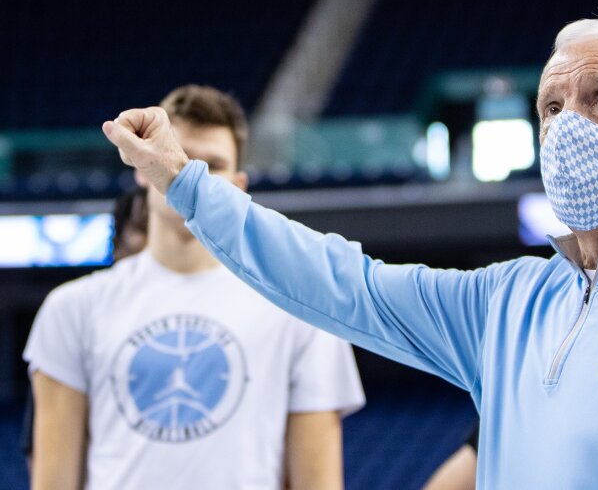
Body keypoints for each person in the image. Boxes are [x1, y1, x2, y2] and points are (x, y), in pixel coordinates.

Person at [103, 20, 598, 488]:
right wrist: (184, 181)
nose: (569, 125)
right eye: (552, 107)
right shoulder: (508, 303)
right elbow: (336, 281)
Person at [26, 84, 365, 490]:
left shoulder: (301, 310)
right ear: (141, 167)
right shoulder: (71, 309)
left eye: (211, 164)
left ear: (238, 185)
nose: (185, 172)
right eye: (175, 155)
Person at [20, 185, 150, 473]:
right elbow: (46, 463)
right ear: (118, 243)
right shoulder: (77, 314)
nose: (156, 244)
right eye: (143, 230)